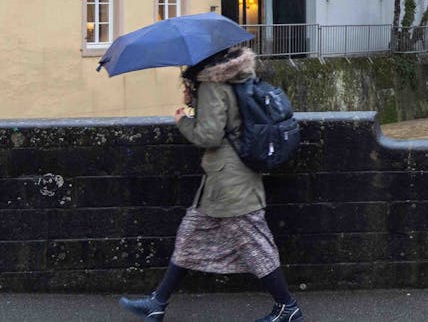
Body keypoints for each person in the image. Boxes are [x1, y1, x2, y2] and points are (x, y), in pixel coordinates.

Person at [119, 47, 303, 321]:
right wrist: (196, 101)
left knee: (256, 246)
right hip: (223, 182)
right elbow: (229, 118)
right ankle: (157, 303)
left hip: (231, 184)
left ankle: (288, 307)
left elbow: (209, 135)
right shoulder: (235, 77)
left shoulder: (212, 83)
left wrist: (183, 120)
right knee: (188, 238)